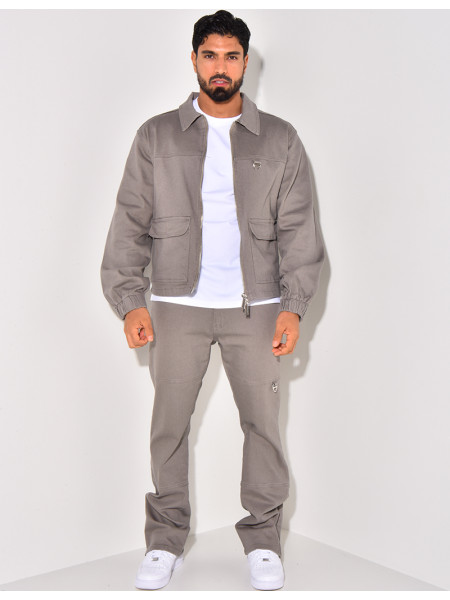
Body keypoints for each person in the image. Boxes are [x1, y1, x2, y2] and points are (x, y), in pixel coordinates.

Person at [101, 9, 324, 591]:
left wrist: (294, 306)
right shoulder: (156, 136)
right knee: (168, 426)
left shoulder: (280, 138)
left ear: (246, 62)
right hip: (176, 305)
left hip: (259, 306)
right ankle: (165, 540)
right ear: (195, 60)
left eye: (231, 56)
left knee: (263, 426)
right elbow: (129, 222)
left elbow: (299, 229)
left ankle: (264, 538)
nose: (220, 66)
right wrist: (130, 300)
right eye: (209, 55)